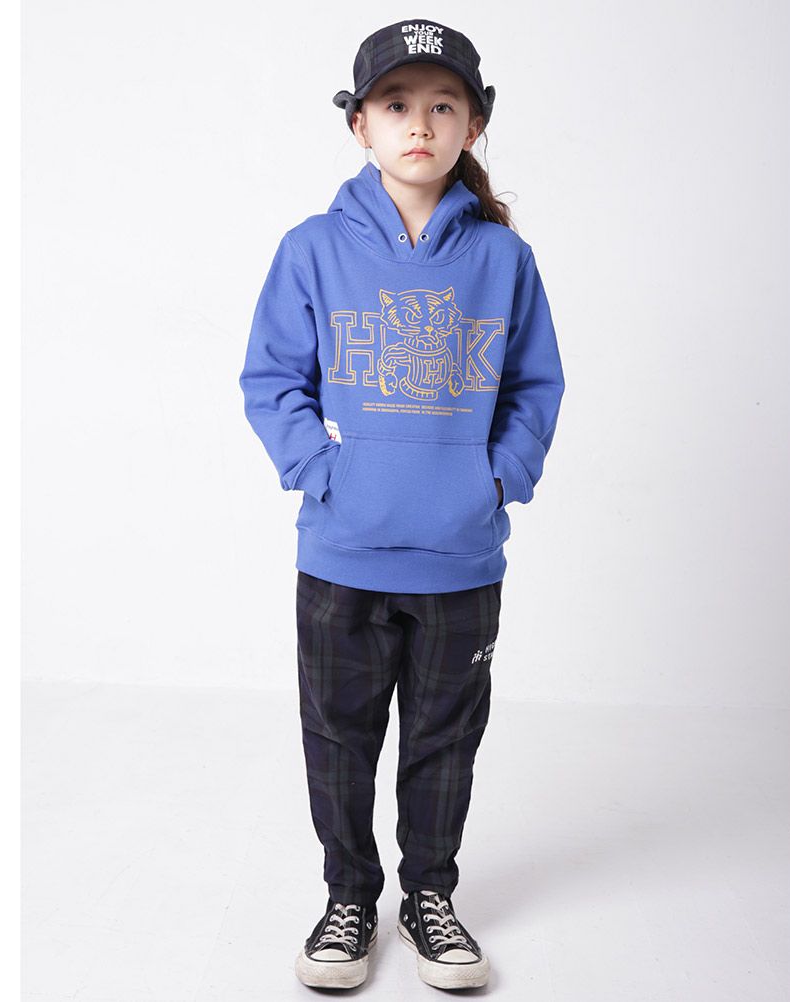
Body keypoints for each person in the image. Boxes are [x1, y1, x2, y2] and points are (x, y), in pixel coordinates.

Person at [238, 18, 566, 991]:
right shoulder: (311, 250)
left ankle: (430, 895)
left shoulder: (503, 259)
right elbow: (272, 380)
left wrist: (495, 480)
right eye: (395, 105)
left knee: (444, 742)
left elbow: (535, 387)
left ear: (473, 124)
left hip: (460, 559)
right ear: (360, 125)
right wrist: (325, 474)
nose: (418, 124)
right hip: (342, 553)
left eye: (441, 105)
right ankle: (349, 897)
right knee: (339, 739)